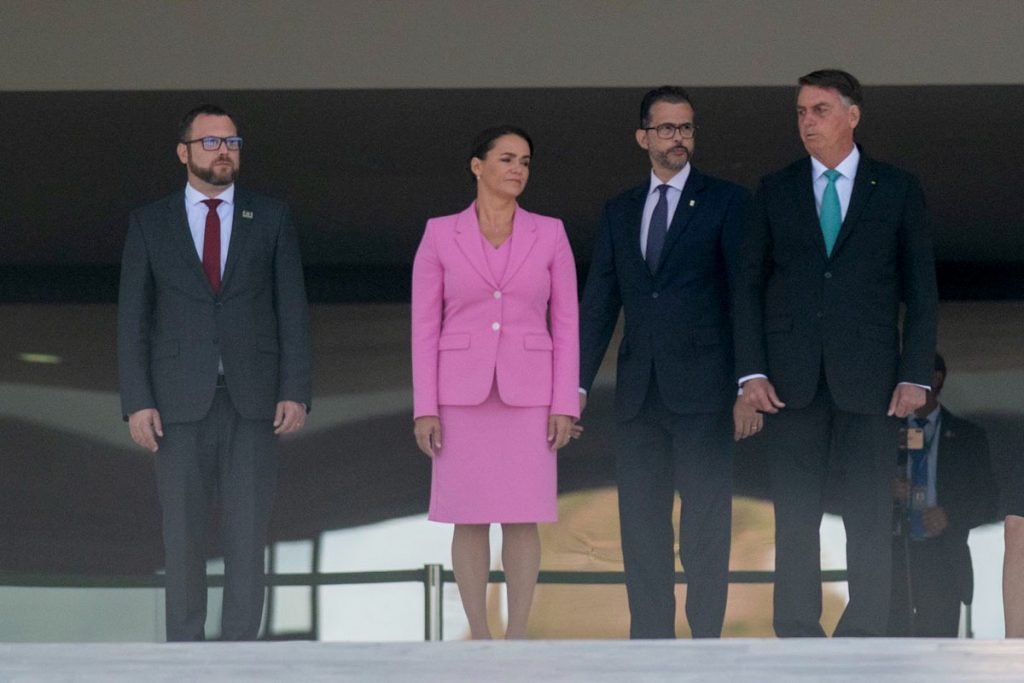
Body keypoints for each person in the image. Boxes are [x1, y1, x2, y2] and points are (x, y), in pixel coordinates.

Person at [733, 69, 938, 637]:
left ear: (853, 115)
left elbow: (920, 291)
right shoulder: (775, 188)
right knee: (794, 511)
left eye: (819, 110)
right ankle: (797, 625)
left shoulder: (896, 188)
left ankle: (866, 627)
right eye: (800, 112)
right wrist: (750, 371)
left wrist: (915, 374)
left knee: (869, 511)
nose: (806, 122)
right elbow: (748, 285)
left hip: (871, 377)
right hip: (789, 378)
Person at [117, 104, 312, 641]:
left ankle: (241, 657)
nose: (224, 150)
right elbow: (134, 318)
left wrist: (295, 389)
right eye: (210, 142)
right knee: (181, 536)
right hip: (176, 405)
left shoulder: (270, 216)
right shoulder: (150, 221)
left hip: (253, 401)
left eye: (232, 142)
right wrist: (137, 400)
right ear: (183, 152)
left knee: (247, 537)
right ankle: (185, 656)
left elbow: (290, 310)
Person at [578, 86, 752, 638]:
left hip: (705, 390)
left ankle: (706, 643)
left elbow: (744, 296)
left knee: (705, 524)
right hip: (638, 394)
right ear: (643, 137)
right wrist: (573, 387)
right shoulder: (620, 209)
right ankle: (650, 643)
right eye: (668, 129)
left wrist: (749, 382)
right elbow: (600, 303)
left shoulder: (727, 201)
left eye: (687, 128)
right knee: (641, 525)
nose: (679, 139)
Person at [410, 126, 579, 639]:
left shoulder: (550, 232)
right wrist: (425, 407)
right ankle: (479, 634)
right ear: (476, 166)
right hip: (459, 395)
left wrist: (564, 403)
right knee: (469, 514)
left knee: (523, 515)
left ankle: (519, 633)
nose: (518, 169)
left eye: (525, 161)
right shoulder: (440, 233)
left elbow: (568, 322)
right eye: (506, 159)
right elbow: (423, 324)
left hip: (531, 394)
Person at [887, 353, 998, 637]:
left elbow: (988, 502)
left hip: (942, 561)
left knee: (937, 653)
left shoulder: (968, 436)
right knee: (890, 654)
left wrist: (949, 515)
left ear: (937, 380)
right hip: (894, 556)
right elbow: (849, 487)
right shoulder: (885, 434)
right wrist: (886, 490)